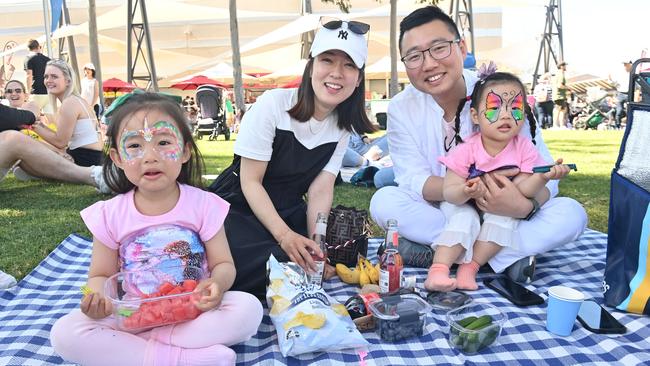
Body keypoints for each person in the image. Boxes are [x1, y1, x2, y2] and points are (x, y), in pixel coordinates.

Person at [369, 6, 587, 283]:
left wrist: (521, 206)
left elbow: (546, 175)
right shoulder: (402, 107)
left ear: (461, 47)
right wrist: (467, 191)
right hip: (447, 210)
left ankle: (444, 256)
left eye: (439, 48)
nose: (429, 64)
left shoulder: (498, 94)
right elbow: (412, 180)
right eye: (414, 56)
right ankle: (500, 258)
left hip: (511, 209)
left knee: (572, 215)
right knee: (384, 202)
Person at [50, 93, 263, 366]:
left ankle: (142, 352)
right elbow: (99, 276)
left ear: (185, 151)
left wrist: (217, 284)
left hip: (193, 311)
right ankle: (184, 358)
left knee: (248, 309)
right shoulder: (109, 214)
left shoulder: (204, 205)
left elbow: (224, 264)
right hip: (133, 315)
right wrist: (96, 299)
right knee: (66, 334)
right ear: (116, 157)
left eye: (163, 142)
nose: (150, 157)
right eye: (135, 146)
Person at [208, 17, 375, 298]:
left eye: (348, 65)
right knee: (259, 261)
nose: (336, 73)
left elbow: (321, 188)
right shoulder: (273, 105)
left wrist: (316, 244)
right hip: (239, 206)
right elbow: (251, 182)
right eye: (327, 60)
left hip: (288, 210)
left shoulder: (342, 127)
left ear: (358, 79)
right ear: (311, 66)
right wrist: (285, 237)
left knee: (302, 260)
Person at [425, 71, 574, 292]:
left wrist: (542, 177)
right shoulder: (466, 149)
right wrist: (465, 191)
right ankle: (438, 270)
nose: (506, 115)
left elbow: (524, 189)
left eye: (514, 108)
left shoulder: (525, 148)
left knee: (506, 221)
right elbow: (449, 192)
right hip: (463, 205)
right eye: (495, 108)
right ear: (475, 116)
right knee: (465, 221)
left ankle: (470, 268)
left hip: (501, 208)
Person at [30, 59, 103, 167]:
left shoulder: (70, 103)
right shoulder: (75, 100)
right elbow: (60, 139)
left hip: (85, 159)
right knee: (33, 143)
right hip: (91, 157)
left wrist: (32, 125)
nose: (48, 80)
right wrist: (38, 125)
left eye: (54, 76)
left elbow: (60, 142)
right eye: (46, 76)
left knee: (28, 142)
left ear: (68, 81)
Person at [24, 39, 51, 112]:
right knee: (50, 118)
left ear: (28, 48)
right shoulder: (48, 59)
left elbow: (29, 75)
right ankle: (52, 124)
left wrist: (28, 92)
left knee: (34, 116)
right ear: (39, 47)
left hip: (36, 93)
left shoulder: (28, 59)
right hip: (49, 93)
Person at [610, 60, 633, 129]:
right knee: (619, 110)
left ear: (630, 64)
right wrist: (610, 80)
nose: (625, 66)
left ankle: (630, 125)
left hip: (630, 94)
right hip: (620, 94)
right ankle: (617, 125)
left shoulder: (633, 73)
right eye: (624, 64)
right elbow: (615, 83)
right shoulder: (620, 75)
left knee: (630, 110)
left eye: (626, 64)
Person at [552, 61, 569, 129]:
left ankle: (561, 125)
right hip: (559, 96)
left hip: (559, 96)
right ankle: (556, 125)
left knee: (562, 110)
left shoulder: (557, 74)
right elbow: (560, 85)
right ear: (562, 66)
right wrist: (568, 88)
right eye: (565, 65)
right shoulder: (561, 74)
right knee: (559, 110)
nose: (566, 67)